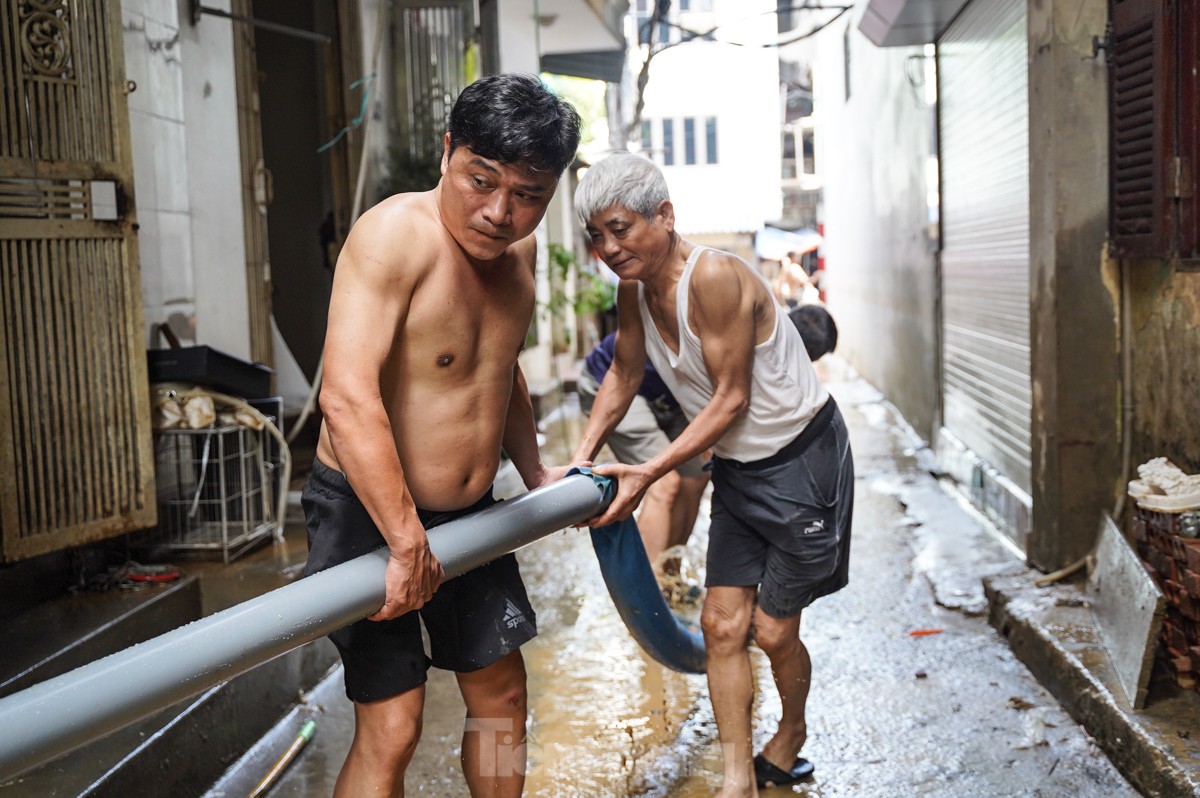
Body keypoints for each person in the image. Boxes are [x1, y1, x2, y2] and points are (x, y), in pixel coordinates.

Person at [300, 73, 581, 798]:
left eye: (528, 197)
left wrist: (536, 470)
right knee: (392, 725)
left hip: (469, 515)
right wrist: (403, 538)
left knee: (502, 704)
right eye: (481, 181)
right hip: (370, 513)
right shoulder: (394, 237)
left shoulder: (516, 263)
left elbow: (501, 373)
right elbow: (346, 396)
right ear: (449, 151)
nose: (499, 213)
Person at [565, 152, 853, 797]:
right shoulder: (632, 288)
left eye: (622, 228)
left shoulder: (716, 277)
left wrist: (644, 471)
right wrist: (584, 455)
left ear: (664, 216)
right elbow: (624, 371)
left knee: (772, 630)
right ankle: (736, 781)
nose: (610, 248)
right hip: (741, 471)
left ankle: (794, 730)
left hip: (801, 459)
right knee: (723, 625)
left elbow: (730, 399)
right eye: (598, 237)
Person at [577, 332, 711, 580]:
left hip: (674, 397)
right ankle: (645, 594)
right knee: (664, 482)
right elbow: (623, 374)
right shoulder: (648, 298)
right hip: (614, 381)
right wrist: (581, 457)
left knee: (698, 475)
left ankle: (670, 577)